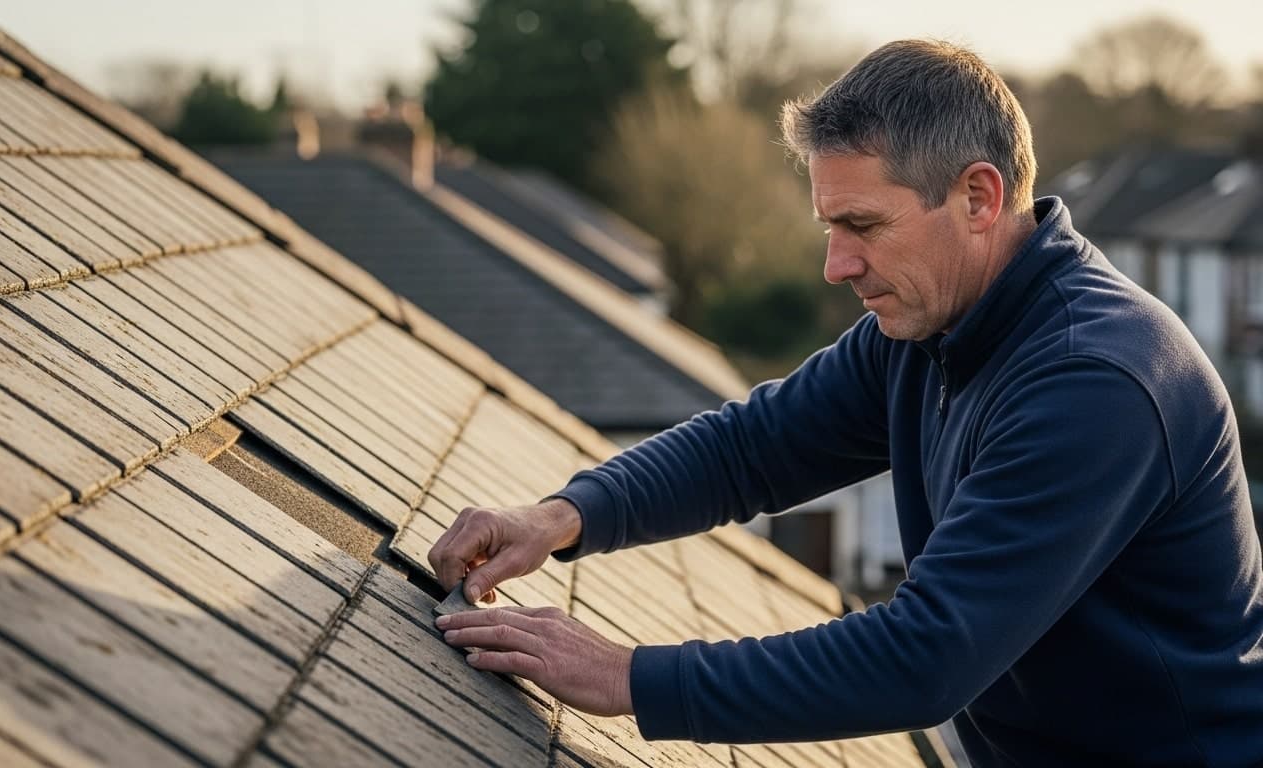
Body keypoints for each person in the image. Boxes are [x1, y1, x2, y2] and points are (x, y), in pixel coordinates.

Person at [428, 39, 1263, 766]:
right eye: (830, 226)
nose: (836, 265)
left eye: (863, 225)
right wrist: (561, 517)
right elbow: (748, 448)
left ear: (978, 197)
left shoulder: (1095, 382)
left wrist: (627, 678)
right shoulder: (931, 326)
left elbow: (926, 658)